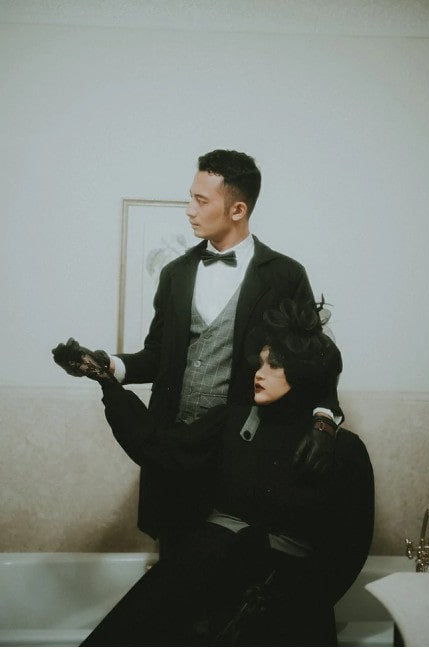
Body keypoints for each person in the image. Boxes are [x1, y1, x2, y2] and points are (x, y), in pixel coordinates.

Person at [52, 149, 343, 551]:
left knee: (236, 565)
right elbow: (157, 356)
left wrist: (324, 422)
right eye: (191, 197)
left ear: (238, 209)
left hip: (244, 454)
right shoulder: (175, 274)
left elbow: (315, 361)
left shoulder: (286, 276)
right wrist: (105, 365)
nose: (189, 210)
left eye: (201, 201)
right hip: (173, 450)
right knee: (175, 565)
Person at [59, 299, 374, 647]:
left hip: (288, 593)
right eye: (260, 362)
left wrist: (299, 598)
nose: (259, 373)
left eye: (274, 365)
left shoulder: (344, 450)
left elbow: (348, 549)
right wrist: (107, 382)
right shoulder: (232, 421)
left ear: (303, 372)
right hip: (207, 565)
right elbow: (162, 449)